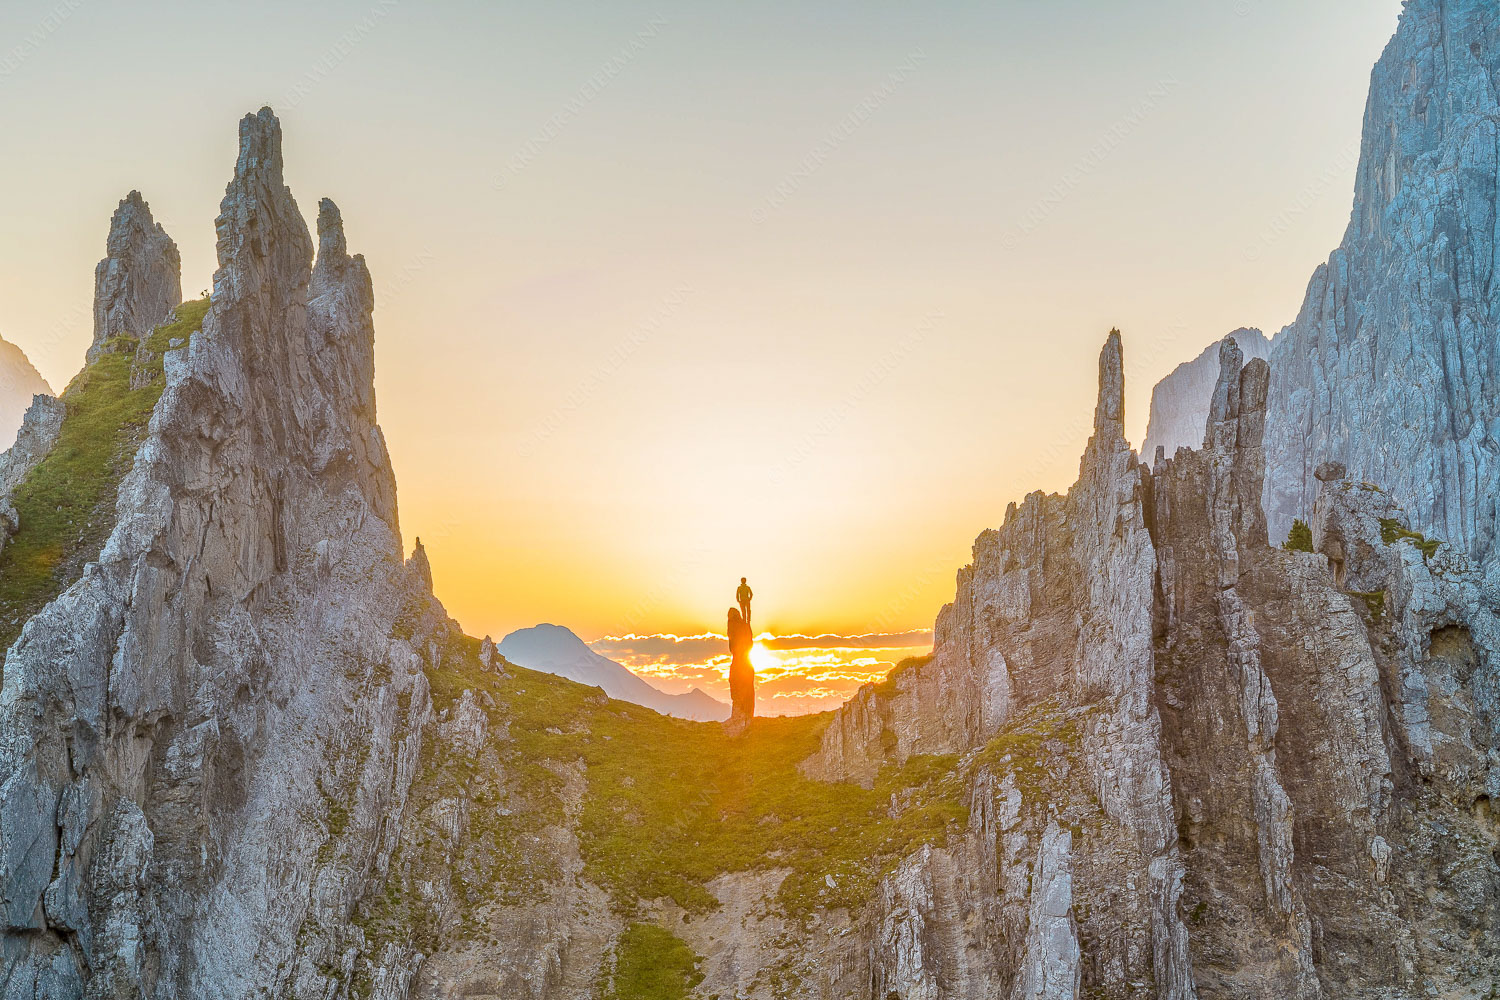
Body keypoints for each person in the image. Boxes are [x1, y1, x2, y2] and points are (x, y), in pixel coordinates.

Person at [725, 606, 755, 734]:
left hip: (739, 663)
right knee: (747, 691)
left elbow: (731, 647)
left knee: (737, 688)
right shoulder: (745, 626)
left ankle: (740, 717)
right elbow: (750, 643)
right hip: (747, 663)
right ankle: (746, 717)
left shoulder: (732, 625)